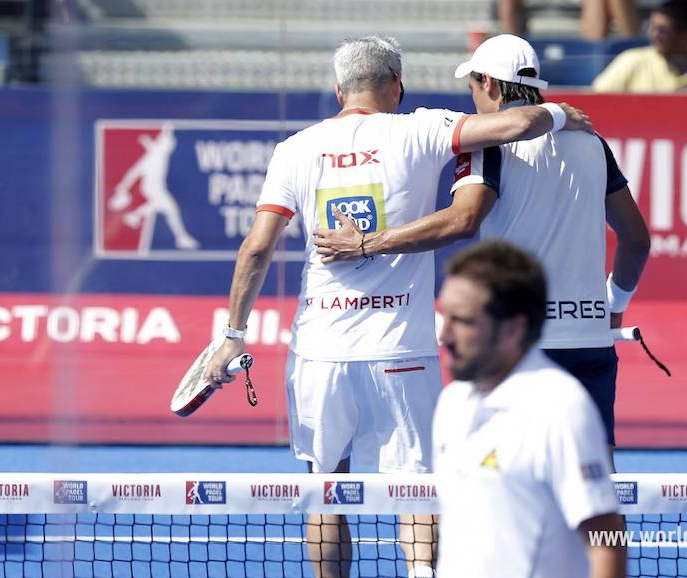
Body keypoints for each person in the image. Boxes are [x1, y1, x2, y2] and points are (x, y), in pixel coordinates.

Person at [203, 35, 591, 578]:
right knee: (418, 489)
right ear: (398, 87)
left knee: (326, 491)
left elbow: (257, 248)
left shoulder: (295, 148)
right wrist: (558, 112)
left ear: (338, 90)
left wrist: (233, 334)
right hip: (402, 352)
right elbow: (517, 123)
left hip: (321, 354)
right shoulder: (420, 127)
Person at [314, 33, 651, 460]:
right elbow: (636, 240)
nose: (472, 98)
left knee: (510, 486)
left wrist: (366, 243)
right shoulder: (592, 143)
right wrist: (613, 304)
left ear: (489, 84)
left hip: (517, 346)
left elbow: (462, 220)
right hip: (589, 342)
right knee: (596, 489)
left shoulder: (484, 143)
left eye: (472, 87)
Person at [433, 239, 626, 578]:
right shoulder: (451, 402)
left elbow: (606, 537)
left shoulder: (560, 408)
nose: (444, 333)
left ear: (512, 328)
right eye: (444, 315)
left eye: (462, 321)